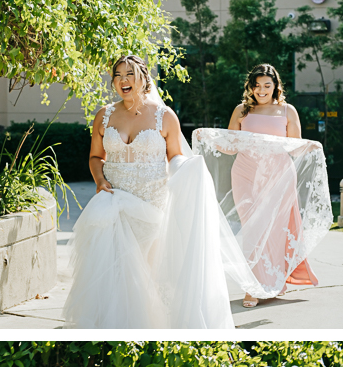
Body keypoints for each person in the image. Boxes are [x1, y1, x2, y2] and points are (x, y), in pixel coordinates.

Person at [63, 55, 262, 329]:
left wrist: (190, 169)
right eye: (118, 75)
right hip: (113, 202)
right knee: (114, 269)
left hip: (151, 202)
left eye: (130, 74)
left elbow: (175, 158)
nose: (123, 80)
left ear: (143, 78)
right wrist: (99, 180)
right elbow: (96, 157)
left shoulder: (164, 116)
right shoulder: (104, 115)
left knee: (147, 270)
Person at [193, 63, 332, 307]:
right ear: (251, 87)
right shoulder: (241, 111)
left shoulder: (287, 111)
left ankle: (267, 285)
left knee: (274, 232)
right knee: (252, 230)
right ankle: (254, 286)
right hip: (245, 174)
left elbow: (295, 145)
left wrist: (311, 145)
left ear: (276, 86)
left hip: (279, 175)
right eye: (257, 85)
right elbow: (231, 145)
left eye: (267, 85)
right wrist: (211, 139)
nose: (262, 90)